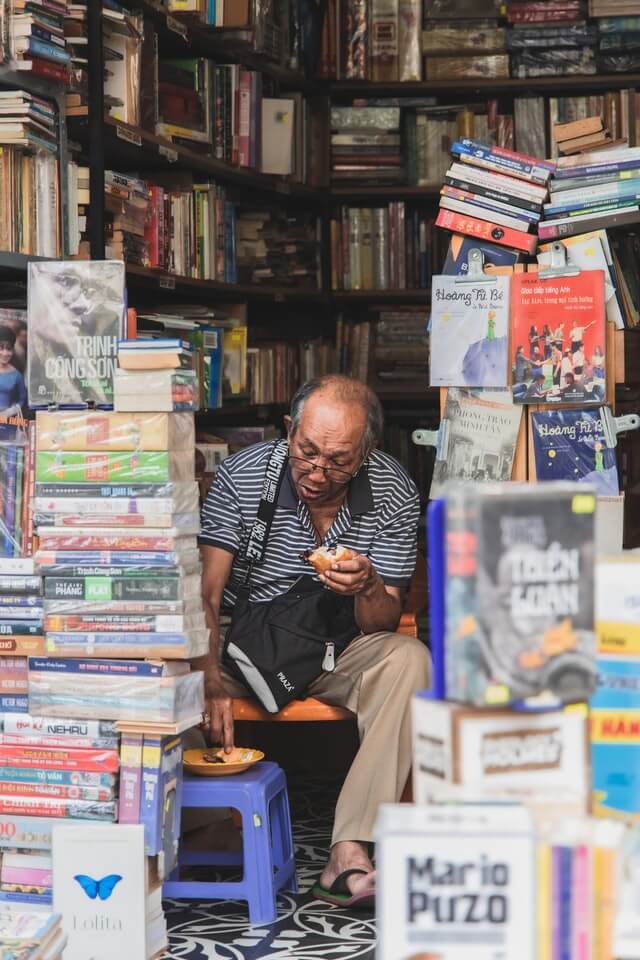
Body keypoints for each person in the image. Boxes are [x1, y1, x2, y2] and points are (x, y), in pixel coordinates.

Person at [197, 375, 430, 908]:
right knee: (168, 667)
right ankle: (202, 828)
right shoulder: (244, 474)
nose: (318, 473)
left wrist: (369, 584)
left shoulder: (392, 490)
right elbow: (206, 596)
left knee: (410, 661)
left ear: (366, 451)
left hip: (334, 644)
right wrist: (209, 680)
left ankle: (348, 851)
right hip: (239, 644)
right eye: (306, 452)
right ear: (288, 431)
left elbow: (382, 622)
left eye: (338, 461)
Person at [0, 326, 26, 415]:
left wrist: (10, 411)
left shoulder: (16, 375)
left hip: (6, 423)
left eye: (9, 349)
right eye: (1, 348)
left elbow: (22, 399)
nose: (5, 353)